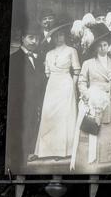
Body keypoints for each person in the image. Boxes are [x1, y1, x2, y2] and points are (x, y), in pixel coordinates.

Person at [73, 23, 111, 172]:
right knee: (94, 136)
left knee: (110, 136)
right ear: (95, 48)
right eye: (100, 46)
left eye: (105, 45)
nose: (103, 48)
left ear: (109, 46)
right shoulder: (88, 63)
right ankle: (93, 168)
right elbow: (81, 81)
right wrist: (88, 96)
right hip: (93, 105)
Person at [33, 24, 81, 163]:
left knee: (64, 116)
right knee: (49, 116)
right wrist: (54, 81)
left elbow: (76, 70)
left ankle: (63, 151)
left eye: (61, 35)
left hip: (66, 84)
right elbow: (47, 73)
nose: (58, 38)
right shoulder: (49, 54)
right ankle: (45, 150)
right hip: (52, 85)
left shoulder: (71, 51)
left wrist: (73, 86)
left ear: (65, 35)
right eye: (55, 36)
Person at [8, 30, 46, 163]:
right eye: (31, 37)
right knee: (21, 124)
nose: (34, 41)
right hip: (20, 99)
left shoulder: (39, 57)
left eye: (36, 38)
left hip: (35, 98)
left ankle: (30, 150)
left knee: (33, 122)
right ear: (23, 38)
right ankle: (20, 153)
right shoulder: (14, 58)